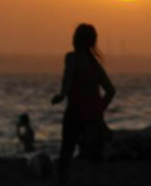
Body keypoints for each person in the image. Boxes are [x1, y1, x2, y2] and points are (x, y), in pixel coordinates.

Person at [51, 23, 116, 186]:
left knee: (66, 153)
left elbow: (67, 79)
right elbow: (110, 90)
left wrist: (62, 95)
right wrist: (99, 109)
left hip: (75, 113)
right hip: (93, 118)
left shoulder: (72, 58)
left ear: (78, 40)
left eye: (74, 37)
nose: (72, 40)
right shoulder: (94, 64)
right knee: (92, 158)